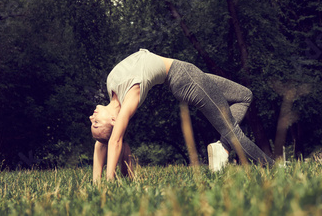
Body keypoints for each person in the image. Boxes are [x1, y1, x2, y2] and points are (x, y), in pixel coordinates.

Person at [90, 49, 274, 182]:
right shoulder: (131, 96)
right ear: (114, 121)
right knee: (234, 132)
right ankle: (274, 168)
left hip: (186, 74)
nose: (92, 118)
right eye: (96, 122)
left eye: (93, 122)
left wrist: (97, 182)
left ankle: (222, 147)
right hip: (186, 78)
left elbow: (103, 143)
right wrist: (109, 179)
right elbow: (114, 140)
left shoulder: (113, 90)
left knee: (244, 95)